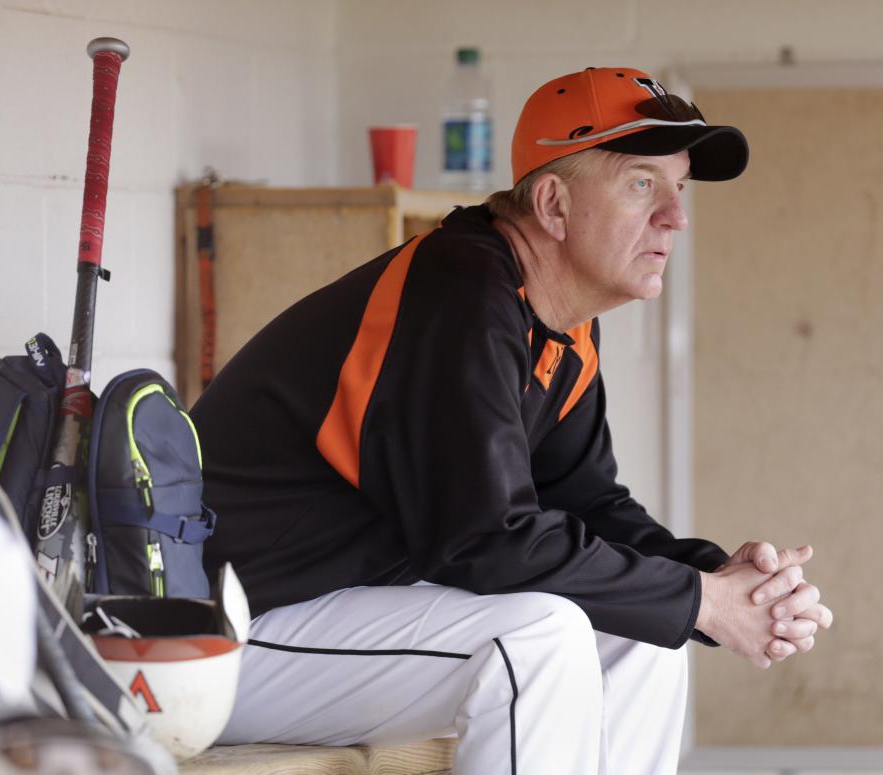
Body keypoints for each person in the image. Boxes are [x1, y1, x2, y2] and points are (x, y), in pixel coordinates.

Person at [191, 67, 833, 774]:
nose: (676, 216)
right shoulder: (460, 292)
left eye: (679, 188)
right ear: (554, 204)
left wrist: (716, 578)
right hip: (221, 632)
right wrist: (700, 599)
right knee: (538, 633)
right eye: (642, 184)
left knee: (646, 632)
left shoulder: (558, 320)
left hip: (335, 610)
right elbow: (485, 539)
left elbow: (586, 503)